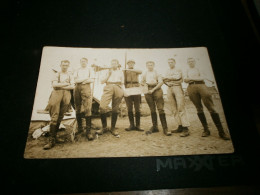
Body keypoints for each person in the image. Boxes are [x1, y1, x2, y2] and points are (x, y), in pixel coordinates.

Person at [184, 58, 230, 140]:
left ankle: (221, 131)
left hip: (201, 86)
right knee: (198, 109)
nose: (191, 62)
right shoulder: (186, 70)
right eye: (189, 62)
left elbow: (202, 78)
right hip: (191, 87)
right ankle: (206, 130)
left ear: (195, 61)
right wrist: (192, 78)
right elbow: (185, 80)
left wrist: (191, 78)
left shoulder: (199, 68)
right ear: (187, 63)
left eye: (192, 61)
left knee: (211, 108)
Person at [44, 60, 75, 150]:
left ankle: (55, 137)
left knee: (60, 116)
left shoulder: (70, 75)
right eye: (63, 65)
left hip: (66, 96)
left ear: (68, 66)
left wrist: (60, 85)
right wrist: (66, 84)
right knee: (54, 116)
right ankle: (51, 140)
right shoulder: (56, 74)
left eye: (66, 65)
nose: (64, 67)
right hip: (56, 94)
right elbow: (54, 85)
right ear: (60, 65)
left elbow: (72, 86)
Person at [141, 61, 171, 136]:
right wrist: (145, 86)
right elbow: (142, 82)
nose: (149, 66)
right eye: (148, 65)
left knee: (160, 109)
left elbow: (160, 82)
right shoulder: (145, 73)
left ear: (153, 65)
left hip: (157, 90)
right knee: (152, 109)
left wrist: (153, 90)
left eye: (151, 65)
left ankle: (165, 128)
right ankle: (155, 127)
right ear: (146, 66)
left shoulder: (157, 72)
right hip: (148, 91)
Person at [96, 59, 125, 136]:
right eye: (112, 63)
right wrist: (109, 74)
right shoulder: (106, 71)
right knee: (102, 106)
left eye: (115, 63)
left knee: (115, 108)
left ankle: (113, 128)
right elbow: (102, 81)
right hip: (108, 87)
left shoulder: (121, 72)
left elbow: (122, 83)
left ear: (118, 64)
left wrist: (124, 92)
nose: (113, 65)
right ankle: (104, 127)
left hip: (118, 87)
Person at [163, 58, 190, 137]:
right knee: (173, 108)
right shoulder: (167, 70)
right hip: (169, 88)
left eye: (171, 62)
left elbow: (179, 78)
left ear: (175, 62)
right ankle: (180, 126)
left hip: (177, 87)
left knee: (181, 107)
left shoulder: (179, 69)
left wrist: (169, 78)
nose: (170, 64)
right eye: (169, 63)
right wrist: (168, 83)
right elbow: (164, 80)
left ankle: (186, 128)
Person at [74, 58, 94, 140]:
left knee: (87, 108)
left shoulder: (90, 69)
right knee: (77, 107)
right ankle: (80, 129)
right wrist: (85, 79)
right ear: (80, 62)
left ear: (87, 62)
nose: (83, 63)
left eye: (85, 62)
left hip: (86, 88)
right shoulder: (77, 70)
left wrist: (81, 80)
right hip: (77, 88)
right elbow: (75, 80)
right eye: (82, 61)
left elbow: (92, 79)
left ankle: (88, 132)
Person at [123, 59, 144, 131]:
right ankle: (131, 125)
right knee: (129, 108)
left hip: (136, 88)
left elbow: (140, 71)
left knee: (137, 107)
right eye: (129, 63)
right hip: (128, 88)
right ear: (127, 64)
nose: (130, 64)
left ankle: (138, 125)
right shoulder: (124, 71)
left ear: (134, 64)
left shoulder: (136, 70)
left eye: (132, 63)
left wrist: (130, 70)